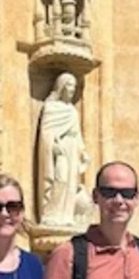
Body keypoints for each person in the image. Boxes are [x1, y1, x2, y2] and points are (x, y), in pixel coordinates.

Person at [36, 72, 90, 227]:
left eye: (74, 86)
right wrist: (52, 146)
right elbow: (46, 133)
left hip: (72, 149)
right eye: (69, 85)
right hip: (59, 150)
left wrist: (83, 152)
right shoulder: (51, 107)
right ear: (61, 87)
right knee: (60, 179)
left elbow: (77, 134)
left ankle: (66, 215)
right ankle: (51, 213)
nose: (72, 90)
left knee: (71, 183)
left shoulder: (73, 110)